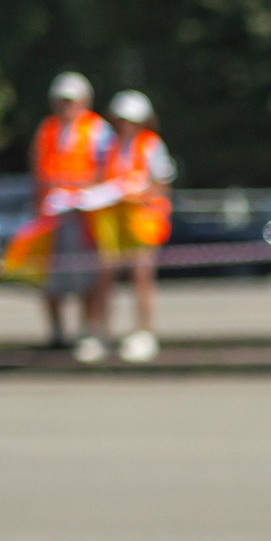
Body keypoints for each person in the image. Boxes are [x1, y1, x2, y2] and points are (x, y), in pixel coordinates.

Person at [30, 72, 116, 361]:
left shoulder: (97, 130)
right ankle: (57, 334)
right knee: (51, 279)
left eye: (71, 100)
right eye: (61, 101)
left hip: (85, 215)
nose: (65, 106)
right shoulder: (47, 129)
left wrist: (83, 193)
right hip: (51, 215)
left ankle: (89, 332)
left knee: (86, 277)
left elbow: (107, 172)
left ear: (84, 101)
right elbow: (38, 173)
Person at [97, 90, 174, 364]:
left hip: (142, 221)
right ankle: (102, 332)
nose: (126, 124)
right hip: (114, 221)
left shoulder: (151, 145)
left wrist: (138, 192)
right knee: (106, 275)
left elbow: (162, 184)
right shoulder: (110, 146)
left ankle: (144, 332)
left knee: (141, 276)